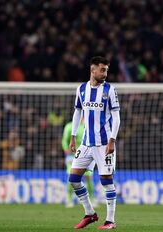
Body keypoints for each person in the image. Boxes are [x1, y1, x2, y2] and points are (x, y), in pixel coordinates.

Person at [68, 56, 120, 229]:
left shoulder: (110, 90)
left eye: (106, 70)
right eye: (102, 70)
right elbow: (77, 112)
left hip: (104, 143)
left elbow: (117, 117)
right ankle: (90, 213)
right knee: (74, 178)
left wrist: (112, 140)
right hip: (86, 143)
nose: (105, 73)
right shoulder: (81, 89)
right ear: (93, 70)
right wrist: (73, 136)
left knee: (106, 179)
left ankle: (110, 221)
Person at [62, 120, 95, 208]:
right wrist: (66, 150)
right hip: (72, 155)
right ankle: (69, 199)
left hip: (86, 155)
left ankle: (91, 199)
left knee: (88, 177)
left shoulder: (88, 125)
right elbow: (64, 140)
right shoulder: (69, 126)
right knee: (71, 176)